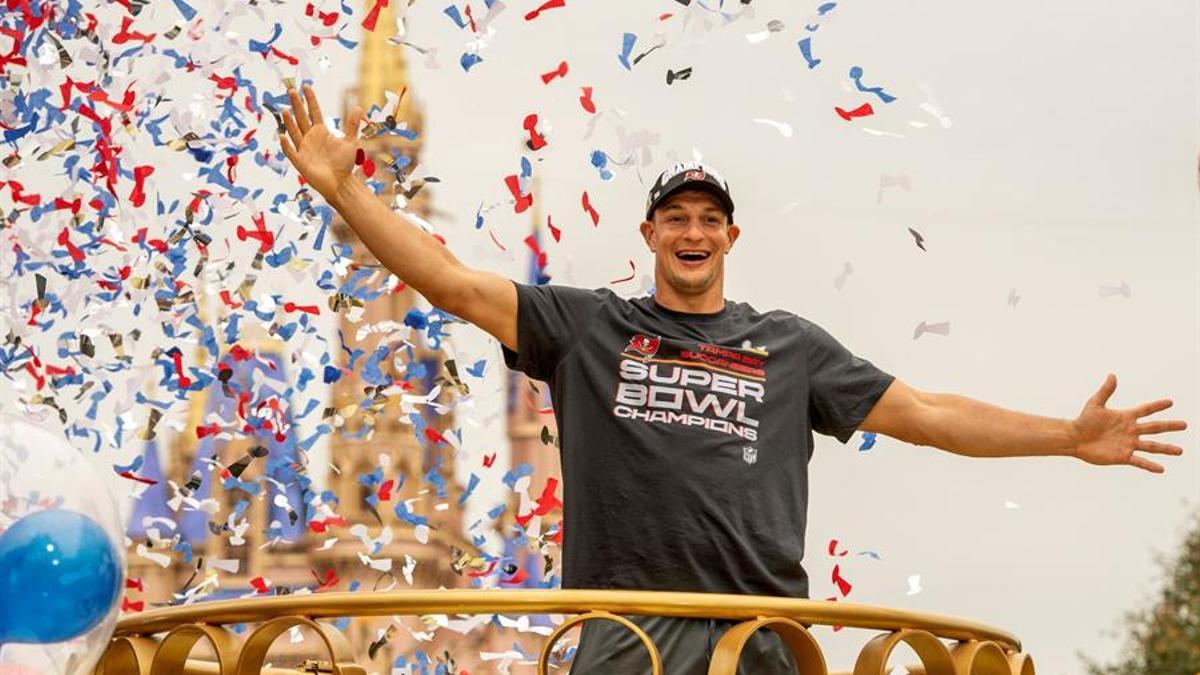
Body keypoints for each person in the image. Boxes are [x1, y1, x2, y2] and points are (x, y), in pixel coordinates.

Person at [278, 84, 1189, 674]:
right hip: (628, 636)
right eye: (675, 215)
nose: (692, 230)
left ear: (730, 236)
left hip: (757, 640)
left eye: (710, 216)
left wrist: (1066, 438)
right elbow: (451, 283)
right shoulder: (593, 328)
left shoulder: (788, 347)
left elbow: (927, 414)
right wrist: (344, 191)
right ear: (649, 236)